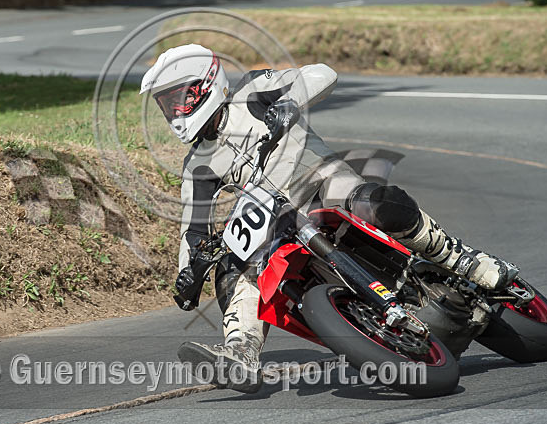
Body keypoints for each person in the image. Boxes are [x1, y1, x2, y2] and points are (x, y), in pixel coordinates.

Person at [140, 43, 518, 393]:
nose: (175, 112)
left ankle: (466, 261)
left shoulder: (253, 92)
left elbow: (321, 73)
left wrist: (289, 102)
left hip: (324, 184)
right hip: (279, 222)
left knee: (375, 203)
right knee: (233, 266)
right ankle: (241, 352)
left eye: (179, 99)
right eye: (167, 105)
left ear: (206, 85)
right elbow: (192, 229)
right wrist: (187, 275)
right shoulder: (197, 165)